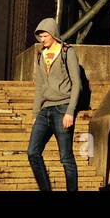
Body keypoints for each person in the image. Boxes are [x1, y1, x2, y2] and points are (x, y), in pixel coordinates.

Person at [28, 17, 84, 191]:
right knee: (32, 152)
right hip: (44, 111)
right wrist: (36, 113)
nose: (42, 39)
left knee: (66, 158)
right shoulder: (41, 55)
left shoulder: (68, 52)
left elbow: (77, 84)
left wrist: (70, 111)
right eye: (40, 37)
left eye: (45, 36)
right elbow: (40, 86)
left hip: (62, 109)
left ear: (53, 34)